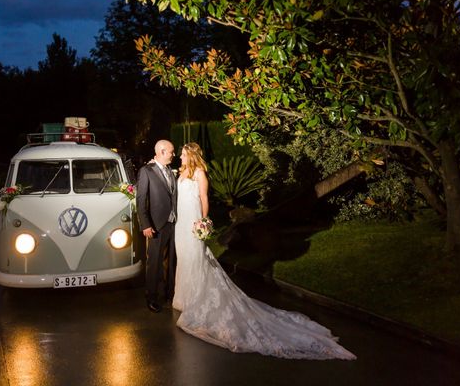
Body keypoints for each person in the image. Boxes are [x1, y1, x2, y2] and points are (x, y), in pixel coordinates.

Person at [172, 142, 356, 360]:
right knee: (184, 257)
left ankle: (196, 298)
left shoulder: (200, 173)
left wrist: (202, 223)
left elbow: (204, 199)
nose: (180, 157)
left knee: (196, 258)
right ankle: (182, 296)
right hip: (180, 223)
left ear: (191, 155)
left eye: (183, 154)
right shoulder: (182, 172)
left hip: (193, 222)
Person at [136, 139, 178, 313]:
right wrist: (145, 224)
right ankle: (151, 297)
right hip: (155, 225)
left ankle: (169, 294)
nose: (173, 155)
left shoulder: (171, 171)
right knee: (154, 262)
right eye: (171, 152)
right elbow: (140, 199)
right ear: (162, 151)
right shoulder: (147, 171)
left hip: (173, 223)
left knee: (171, 262)